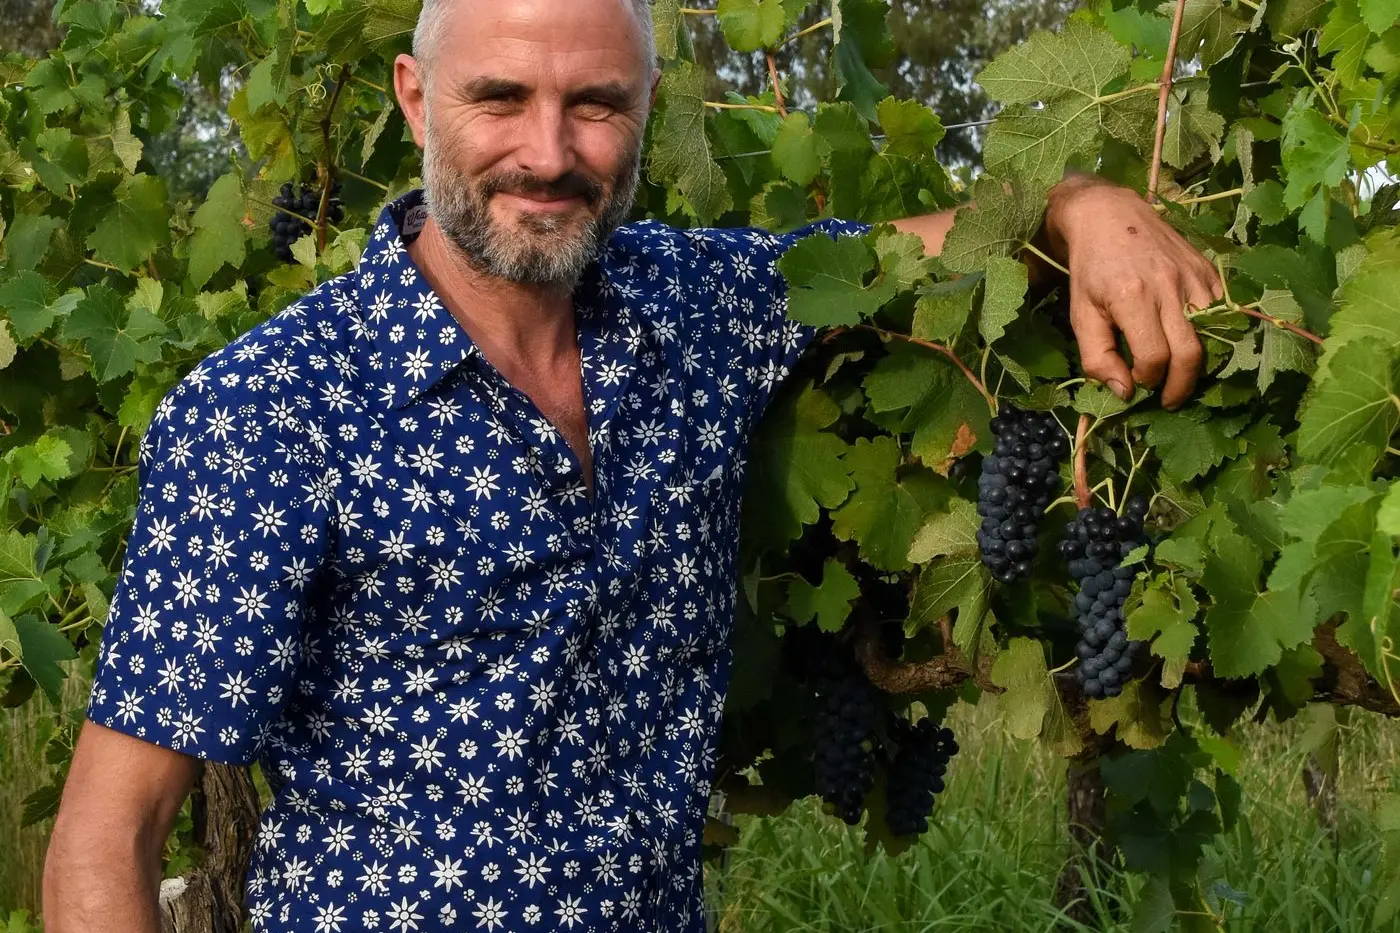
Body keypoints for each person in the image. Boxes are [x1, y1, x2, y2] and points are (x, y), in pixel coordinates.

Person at [42, 0, 1222, 930]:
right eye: (499, 97)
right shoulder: (266, 412)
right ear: (413, 98)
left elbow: (907, 255)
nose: (547, 152)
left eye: (595, 104)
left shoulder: (693, 308)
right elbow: (107, 840)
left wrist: (1078, 204)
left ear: (648, 105)